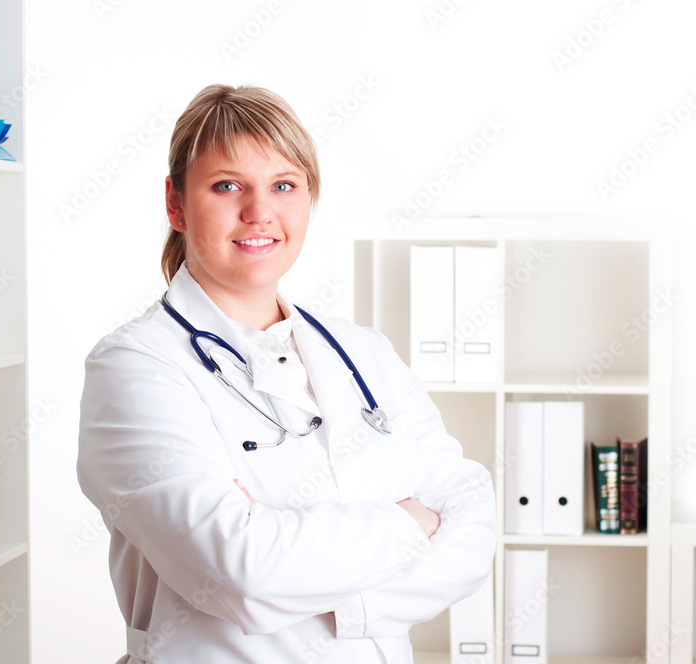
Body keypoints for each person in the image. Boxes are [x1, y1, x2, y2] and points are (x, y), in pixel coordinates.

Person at [77, 84, 496, 664]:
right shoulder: (135, 367)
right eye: (227, 186)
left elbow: (470, 520)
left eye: (284, 185)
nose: (259, 212)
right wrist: (407, 523)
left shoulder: (363, 353)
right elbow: (239, 571)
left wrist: (334, 599)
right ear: (176, 204)